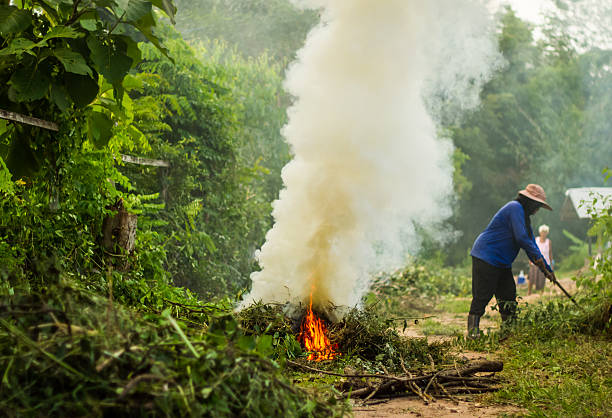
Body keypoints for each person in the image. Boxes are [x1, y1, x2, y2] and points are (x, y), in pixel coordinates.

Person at [467, 184, 556, 338]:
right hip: (486, 255)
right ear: (529, 202)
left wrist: (546, 269)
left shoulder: (524, 217)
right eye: (537, 206)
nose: (537, 210)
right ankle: (473, 332)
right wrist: (541, 264)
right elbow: (522, 239)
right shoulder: (515, 208)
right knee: (483, 294)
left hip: (502, 262)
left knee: (508, 295)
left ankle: (508, 331)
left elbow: (531, 244)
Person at [528, 224, 553, 295]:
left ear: (547, 233)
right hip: (536, 261)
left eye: (545, 232)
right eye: (542, 232)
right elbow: (531, 250)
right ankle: (529, 291)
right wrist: (530, 259)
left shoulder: (548, 242)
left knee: (543, 278)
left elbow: (550, 253)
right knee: (531, 277)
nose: (544, 233)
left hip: (545, 263)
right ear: (540, 232)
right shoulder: (536, 240)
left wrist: (551, 264)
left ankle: (541, 293)